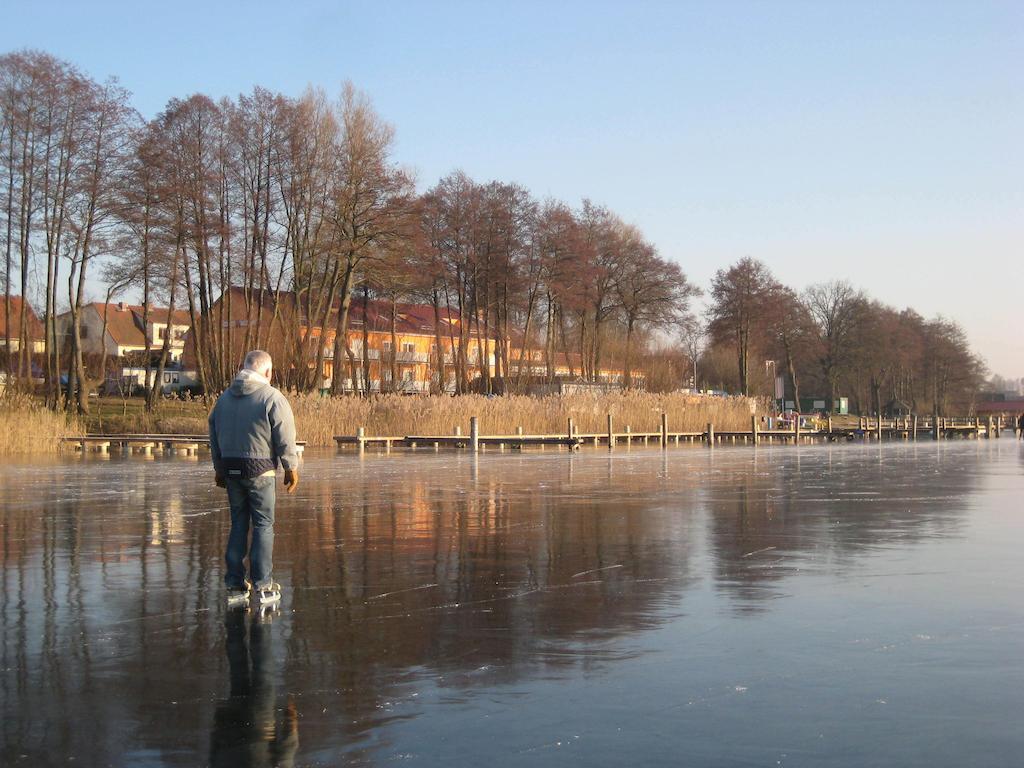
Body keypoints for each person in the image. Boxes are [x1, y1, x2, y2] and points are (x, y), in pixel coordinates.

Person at [209, 350, 299, 606]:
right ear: (268, 372)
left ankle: (235, 584)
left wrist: (219, 468)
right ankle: (263, 584)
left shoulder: (223, 399)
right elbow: (284, 433)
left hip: (231, 468)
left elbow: (213, 435)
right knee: (263, 524)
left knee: (238, 523)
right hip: (260, 470)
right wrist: (290, 466)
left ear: (243, 367)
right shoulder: (272, 397)